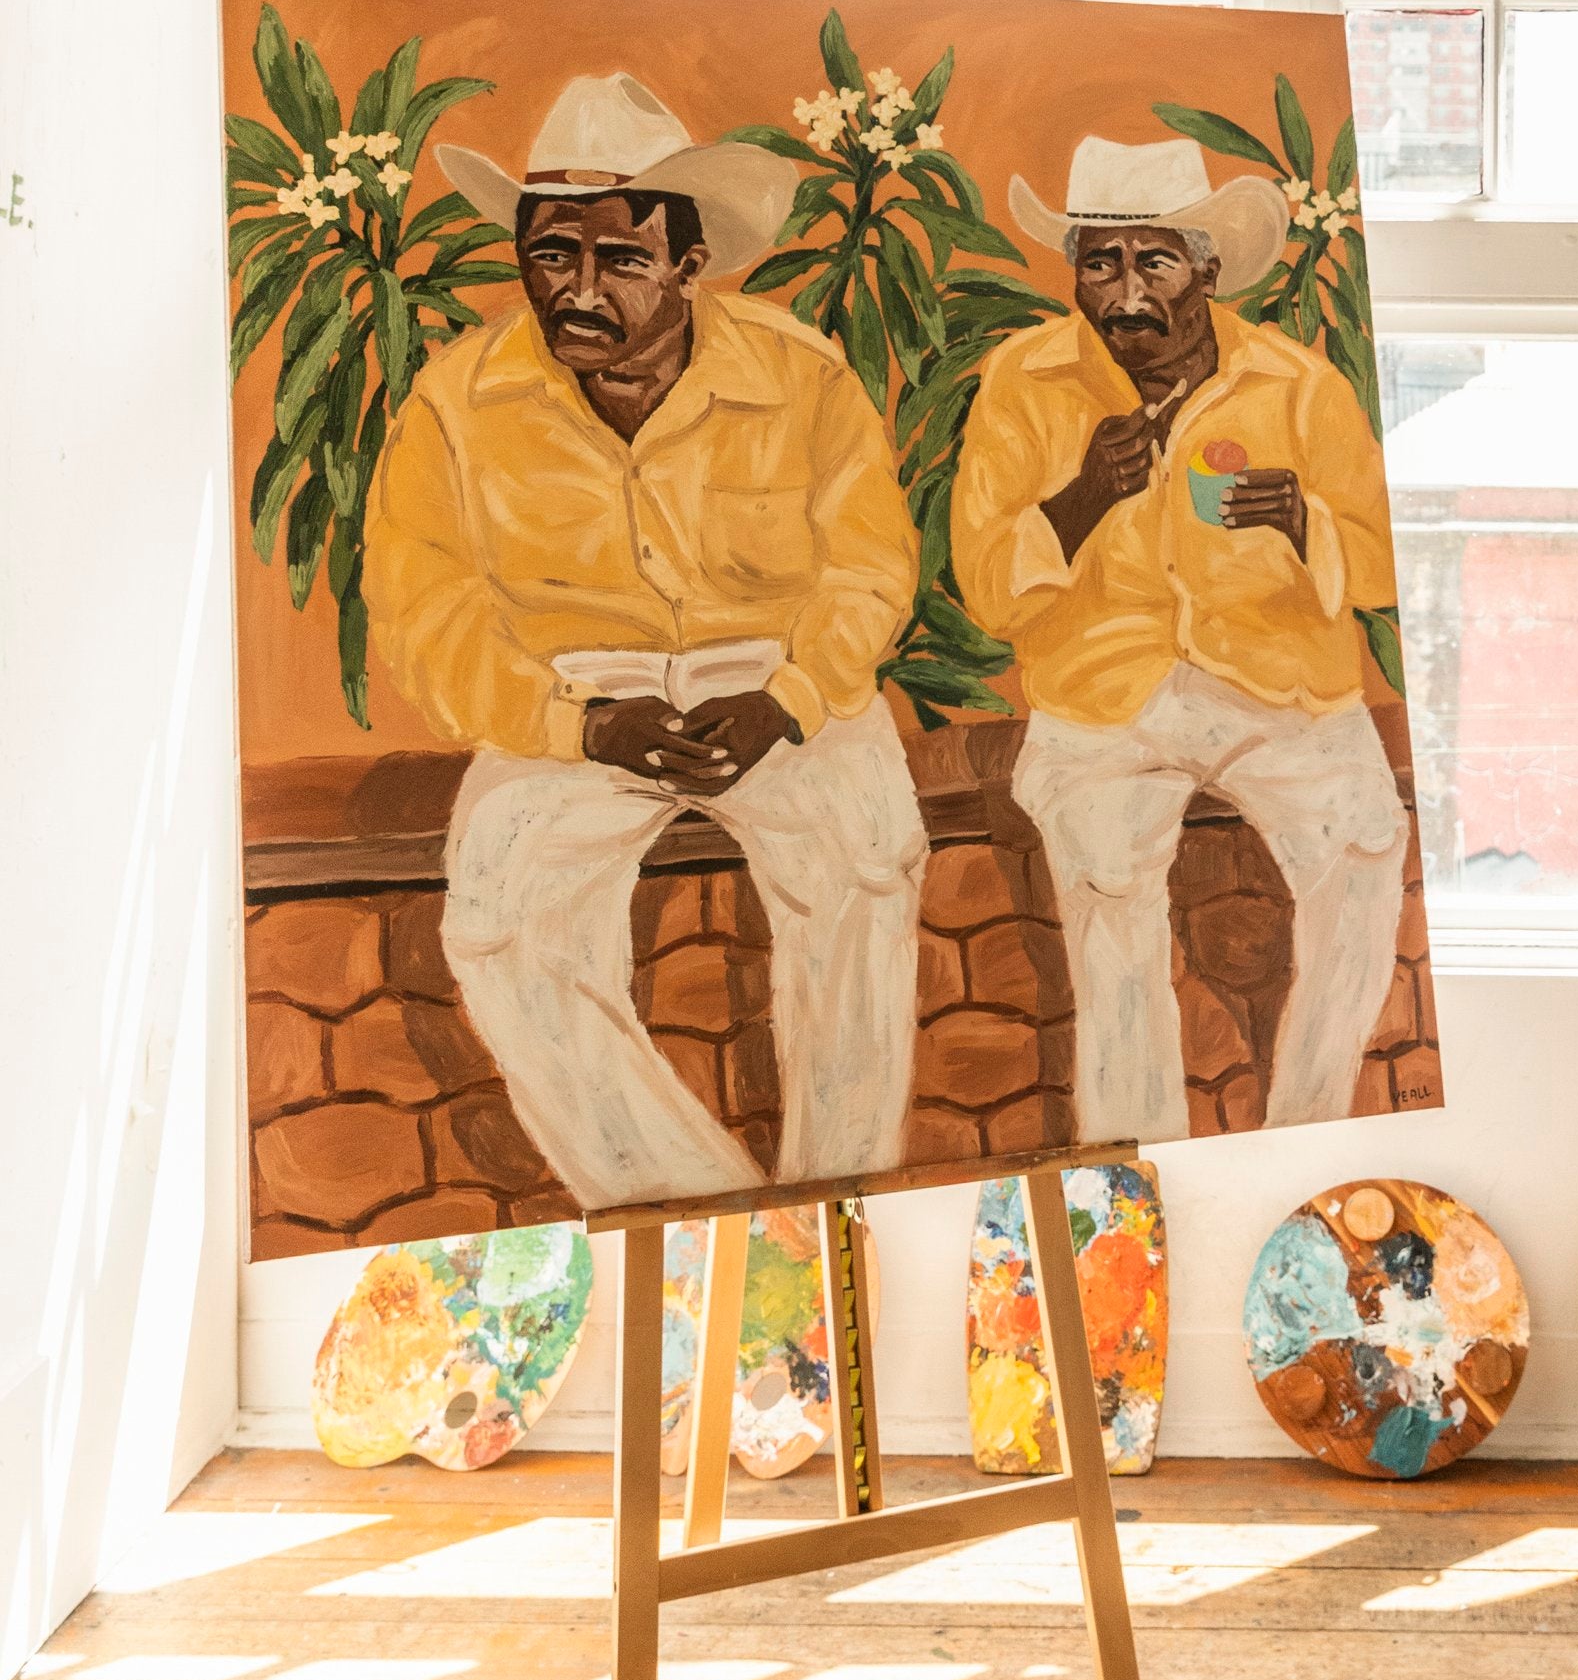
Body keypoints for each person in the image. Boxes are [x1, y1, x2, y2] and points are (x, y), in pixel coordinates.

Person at [367, 73, 927, 1210]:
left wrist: (789, 699)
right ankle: (696, 1208)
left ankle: (844, 1199)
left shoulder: (801, 373)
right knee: (499, 919)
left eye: (619, 260)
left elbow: (870, 568)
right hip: (570, 698)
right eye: (550, 254)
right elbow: (426, 611)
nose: (577, 290)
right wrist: (578, 725)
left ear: (688, 263)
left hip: (775, 682)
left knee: (869, 866)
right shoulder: (453, 402)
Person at [953, 131, 1408, 1143]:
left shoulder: (1293, 385)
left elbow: (1382, 562)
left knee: (1368, 851)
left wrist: (1303, 522)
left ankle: (1309, 1125)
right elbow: (984, 587)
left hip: (1280, 689)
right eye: (1099, 263)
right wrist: (1077, 502)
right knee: (1108, 895)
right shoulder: (1024, 382)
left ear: (1204, 268)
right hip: (1100, 694)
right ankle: (1136, 1154)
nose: (1125, 294)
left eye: (1151, 260)